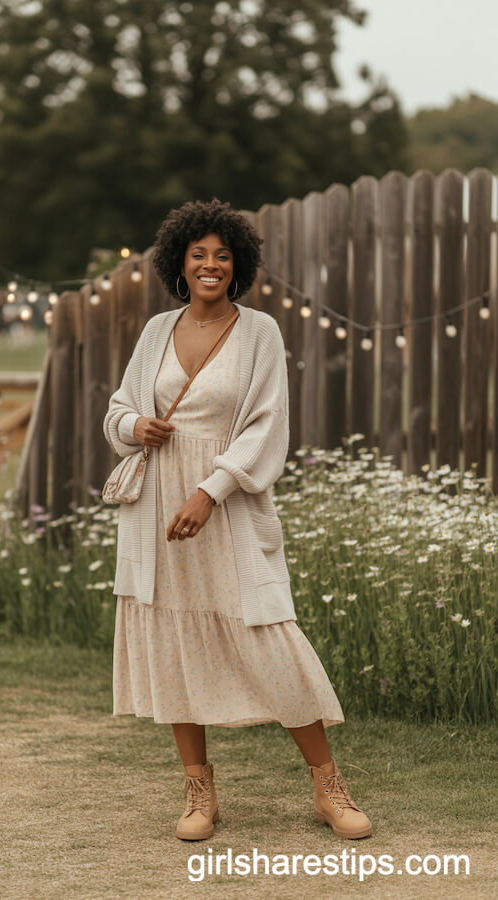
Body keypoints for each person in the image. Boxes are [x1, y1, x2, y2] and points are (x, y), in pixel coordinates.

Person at [103, 198, 372, 842]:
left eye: (223, 255)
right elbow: (118, 412)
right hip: (156, 509)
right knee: (173, 641)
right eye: (198, 254)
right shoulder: (155, 332)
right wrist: (134, 425)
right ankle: (200, 791)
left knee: (269, 636)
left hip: (225, 505)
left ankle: (328, 785)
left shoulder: (260, 333)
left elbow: (266, 427)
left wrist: (209, 491)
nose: (210, 265)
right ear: (179, 262)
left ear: (238, 265)